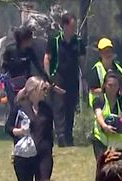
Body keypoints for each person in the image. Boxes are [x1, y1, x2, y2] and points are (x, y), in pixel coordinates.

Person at [44, 12, 86, 147]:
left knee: (70, 105)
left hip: (72, 77)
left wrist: (83, 76)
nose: (73, 29)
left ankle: (69, 135)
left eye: (74, 26)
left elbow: (81, 60)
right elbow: (47, 58)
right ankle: (61, 135)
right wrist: (48, 77)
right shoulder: (54, 39)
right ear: (64, 25)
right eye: (71, 26)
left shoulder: (78, 41)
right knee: (59, 105)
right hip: (58, 76)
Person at [5, 76, 55, 181]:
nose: (45, 92)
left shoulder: (46, 108)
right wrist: (19, 131)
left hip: (43, 155)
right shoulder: (20, 107)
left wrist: (49, 150)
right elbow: (8, 127)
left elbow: (49, 131)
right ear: (34, 90)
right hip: (24, 155)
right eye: (43, 89)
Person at [91, 71, 122, 162]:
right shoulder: (99, 100)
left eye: (115, 85)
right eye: (110, 85)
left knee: (121, 168)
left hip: (119, 140)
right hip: (101, 138)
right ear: (104, 86)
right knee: (103, 166)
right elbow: (98, 114)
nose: (113, 88)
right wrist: (104, 126)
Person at [1, 26, 50, 107]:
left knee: (28, 105)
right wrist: (3, 86)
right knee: (13, 108)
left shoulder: (29, 51)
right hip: (12, 84)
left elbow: (38, 66)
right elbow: (4, 69)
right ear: (24, 39)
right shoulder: (10, 50)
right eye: (30, 38)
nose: (32, 40)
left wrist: (47, 80)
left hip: (26, 83)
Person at [87, 38, 122, 106]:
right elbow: (93, 90)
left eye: (110, 51)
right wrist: (109, 90)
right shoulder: (96, 70)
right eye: (105, 51)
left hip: (118, 105)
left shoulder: (118, 67)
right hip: (100, 106)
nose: (108, 53)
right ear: (100, 53)